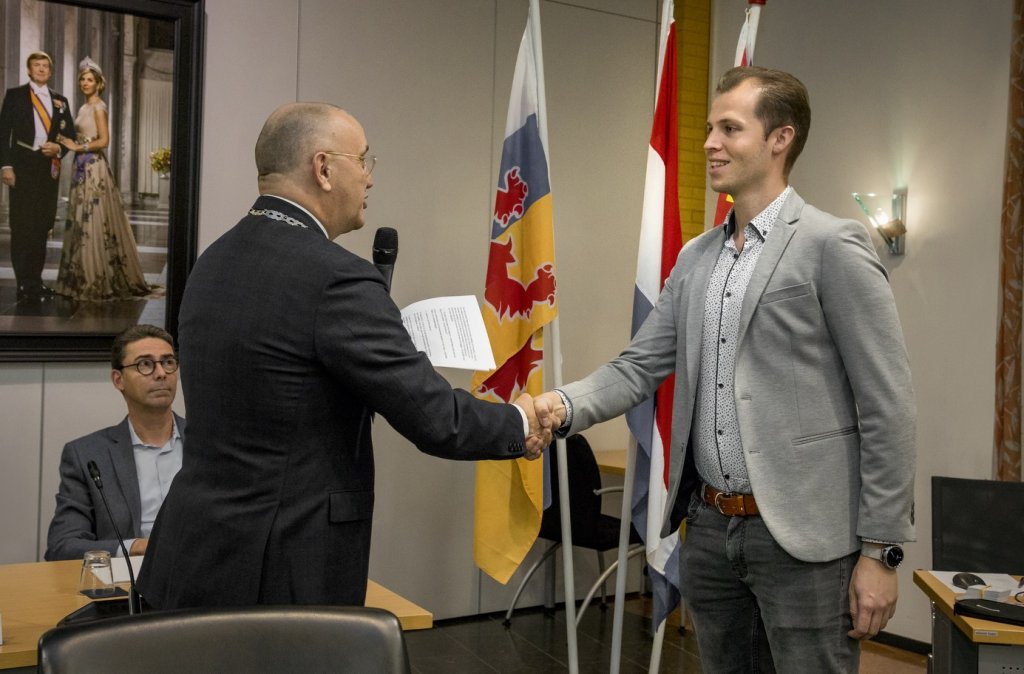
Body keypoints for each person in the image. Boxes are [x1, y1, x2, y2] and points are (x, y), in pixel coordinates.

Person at [534, 66, 916, 673]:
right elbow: (639, 367)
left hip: (804, 542)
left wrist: (881, 551)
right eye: (710, 127)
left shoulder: (832, 245)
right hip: (710, 530)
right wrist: (553, 407)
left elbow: (887, 405)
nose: (710, 142)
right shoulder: (696, 257)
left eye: (729, 128)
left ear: (780, 139)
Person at [138, 102, 549, 610]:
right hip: (283, 568)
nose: (370, 179)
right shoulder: (336, 277)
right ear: (324, 168)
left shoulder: (212, 261)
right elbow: (437, 419)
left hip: (195, 552)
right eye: (364, 160)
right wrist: (517, 420)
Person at [45, 324, 184, 561]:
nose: (161, 373)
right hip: (127, 588)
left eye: (168, 362)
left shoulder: (209, 444)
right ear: (118, 380)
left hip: (204, 583)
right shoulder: (87, 455)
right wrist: (138, 547)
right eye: (145, 364)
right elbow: (63, 546)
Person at [53, 57, 157, 301]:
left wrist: (77, 147)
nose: (85, 83)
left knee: (93, 222)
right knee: (80, 221)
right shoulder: (82, 107)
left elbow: (104, 141)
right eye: (82, 79)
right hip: (81, 168)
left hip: (94, 169)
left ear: (99, 84)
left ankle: (94, 279)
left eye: (90, 79)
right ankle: (79, 277)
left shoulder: (99, 106)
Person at [0, 51, 76, 301]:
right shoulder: (15, 95)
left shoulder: (60, 101)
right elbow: (3, 134)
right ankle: (23, 281)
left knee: (42, 224)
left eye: (45, 66)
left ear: (50, 71)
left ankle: (36, 280)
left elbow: (70, 137)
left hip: (47, 168)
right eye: (37, 66)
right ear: (29, 70)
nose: (42, 69)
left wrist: (60, 149)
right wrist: (6, 166)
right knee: (22, 225)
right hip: (22, 165)